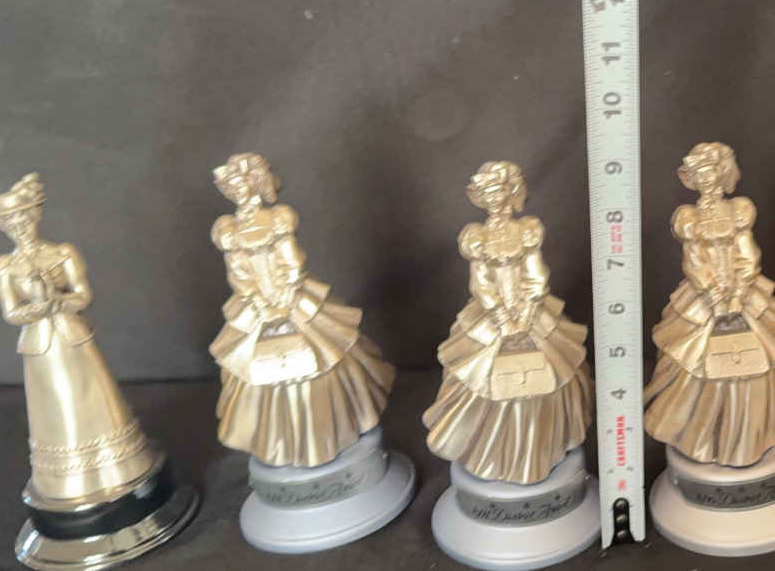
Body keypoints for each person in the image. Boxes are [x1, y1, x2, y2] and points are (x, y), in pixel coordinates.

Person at [209, 153, 395, 467]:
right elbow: (237, 272)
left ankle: (331, 429)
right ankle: (280, 442)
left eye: (242, 183)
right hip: (257, 303)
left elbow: (292, 259)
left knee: (323, 353)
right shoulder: (228, 229)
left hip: (290, 294)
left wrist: (286, 294)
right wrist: (257, 300)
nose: (237, 191)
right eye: (231, 186)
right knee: (257, 367)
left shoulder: (277, 218)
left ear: (255, 183)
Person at [0, 173, 158, 502]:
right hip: (41, 346)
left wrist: (59, 301)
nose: (20, 226)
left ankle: (117, 463)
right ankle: (66, 475)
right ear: (4, 227)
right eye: (12, 222)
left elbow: (83, 295)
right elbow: (10, 312)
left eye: (25, 218)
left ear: (36, 216)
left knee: (90, 395)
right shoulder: (5, 267)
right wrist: (36, 309)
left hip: (72, 336)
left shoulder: (62, 253)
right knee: (57, 403)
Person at [423, 161, 592, 484]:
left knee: (550, 372)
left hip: (529, 307)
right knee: (481, 378)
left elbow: (536, 272)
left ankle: (539, 449)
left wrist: (528, 309)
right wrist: (499, 314)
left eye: (499, 190)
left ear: (510, 192)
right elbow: (480, 282)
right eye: (487, 192)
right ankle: (490, 454)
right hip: (492, 312)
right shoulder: (476, 236)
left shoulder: (526, 229)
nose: (494, 198)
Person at [644, 142, 775, 467]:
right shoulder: (688, 217)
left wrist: (737, 294)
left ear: (721, 175)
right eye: (699, 174)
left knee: (762, 357)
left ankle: (751, 435)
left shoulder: (739, 210)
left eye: (711, 172)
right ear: (691, 179)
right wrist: (714, 297)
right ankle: (704, 438)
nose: (706, 180)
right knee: (695, 361)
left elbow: (748, 255)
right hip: (705, 295)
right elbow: (693, 262)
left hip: (742, 291)